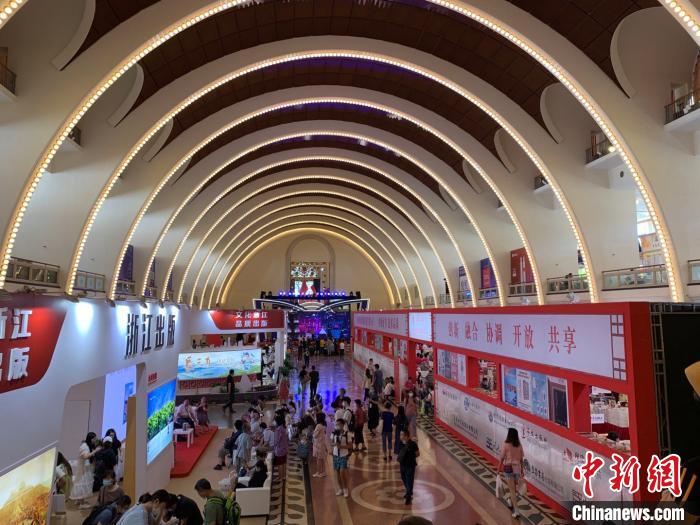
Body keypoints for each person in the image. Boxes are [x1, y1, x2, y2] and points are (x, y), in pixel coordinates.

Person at [498, 427, 526, 519]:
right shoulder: (519, 445)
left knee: (512, 490)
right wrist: (522, 470)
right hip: (517, 468)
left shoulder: (506, 444)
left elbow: (502, 458)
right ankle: (510, 501)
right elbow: (521, 459)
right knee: (514, 489)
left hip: (508, 468)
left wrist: (498, 469)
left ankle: (516, 511)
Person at [330, 418, 353, 497]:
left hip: (343, 455)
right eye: (336, 424)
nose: (337, 426)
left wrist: (341, 446)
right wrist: (335, 445)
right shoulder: (333, 433)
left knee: (342, 472)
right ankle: (340, 489)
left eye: (339, 424)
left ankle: (346, 489)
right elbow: (331, 443)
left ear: (343, 425)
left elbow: (350, 446)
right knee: (337, 473)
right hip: (335, 455)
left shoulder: (347, 434)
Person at [397, 429, 420, 504]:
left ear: (406, 436)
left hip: (410, 465)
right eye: (400, 435)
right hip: (402, 465)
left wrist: (411, 455)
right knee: (404, 478)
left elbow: (418, 454)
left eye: (402, 435)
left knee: (409, 480)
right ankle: (409, 492)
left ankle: (408, 496)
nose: (400, 436)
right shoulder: (400, 444)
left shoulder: (413, 444)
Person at [312, 412, 328, 478]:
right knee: (322, 459)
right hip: (321, 444)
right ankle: (323, 472)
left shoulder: (318, 426)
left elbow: (315, 435)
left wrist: (313, 433)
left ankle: (319, 472)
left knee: (318, 460)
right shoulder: (323, 425)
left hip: (318, 445)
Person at [274, 414, 289, 481]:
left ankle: (280, 477)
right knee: (284, 463)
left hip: (279, 450)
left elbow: (276, 440)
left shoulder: (278, 430)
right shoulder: (283, 428)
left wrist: (273, 446)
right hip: (284, 449)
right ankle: (284, 476)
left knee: (280, 464)